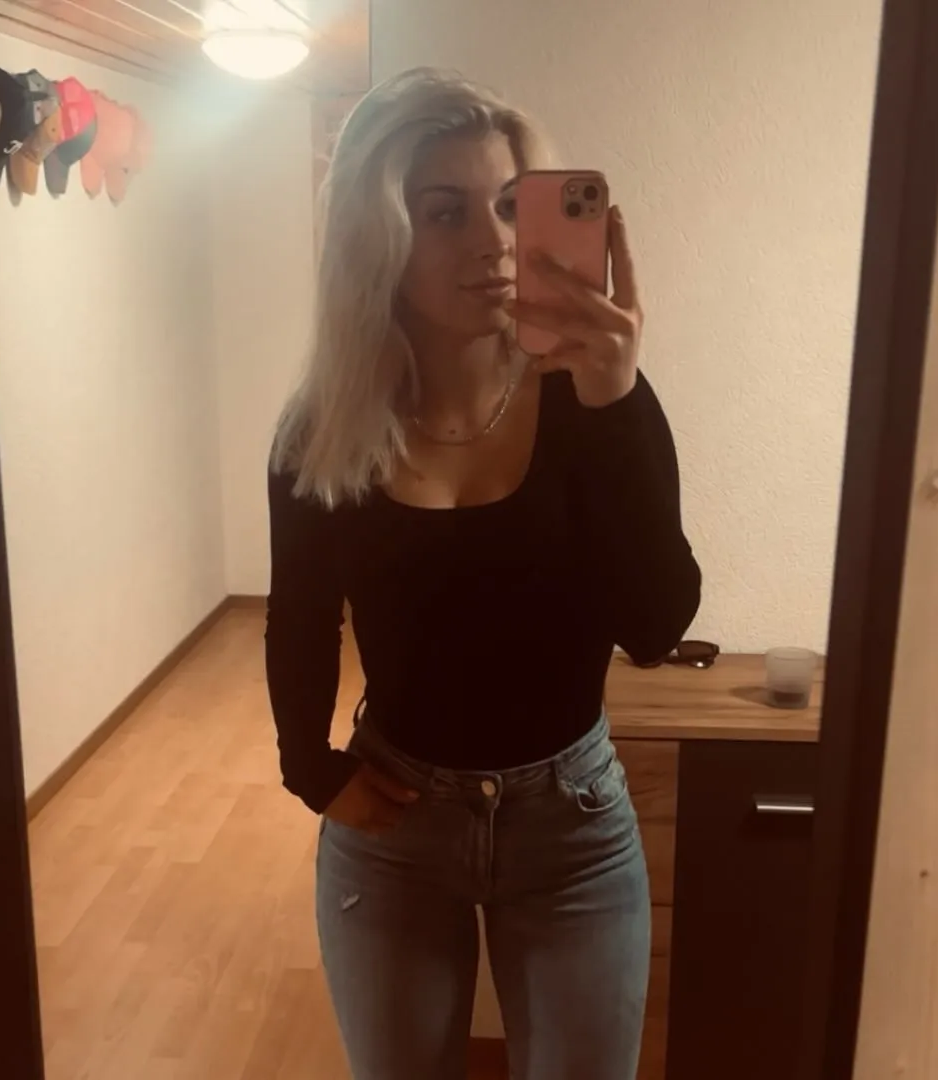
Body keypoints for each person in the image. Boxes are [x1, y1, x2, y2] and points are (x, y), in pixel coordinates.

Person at [265, 67, 701, 1080]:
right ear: (378, 237)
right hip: (397, 825)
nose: (494, 241)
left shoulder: (594, 401)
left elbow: (656, 625)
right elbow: (300, 617)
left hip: (572, 827)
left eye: (509, 205)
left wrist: (617, 403)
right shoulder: (325, 429)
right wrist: (310, 768)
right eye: (445, 212)